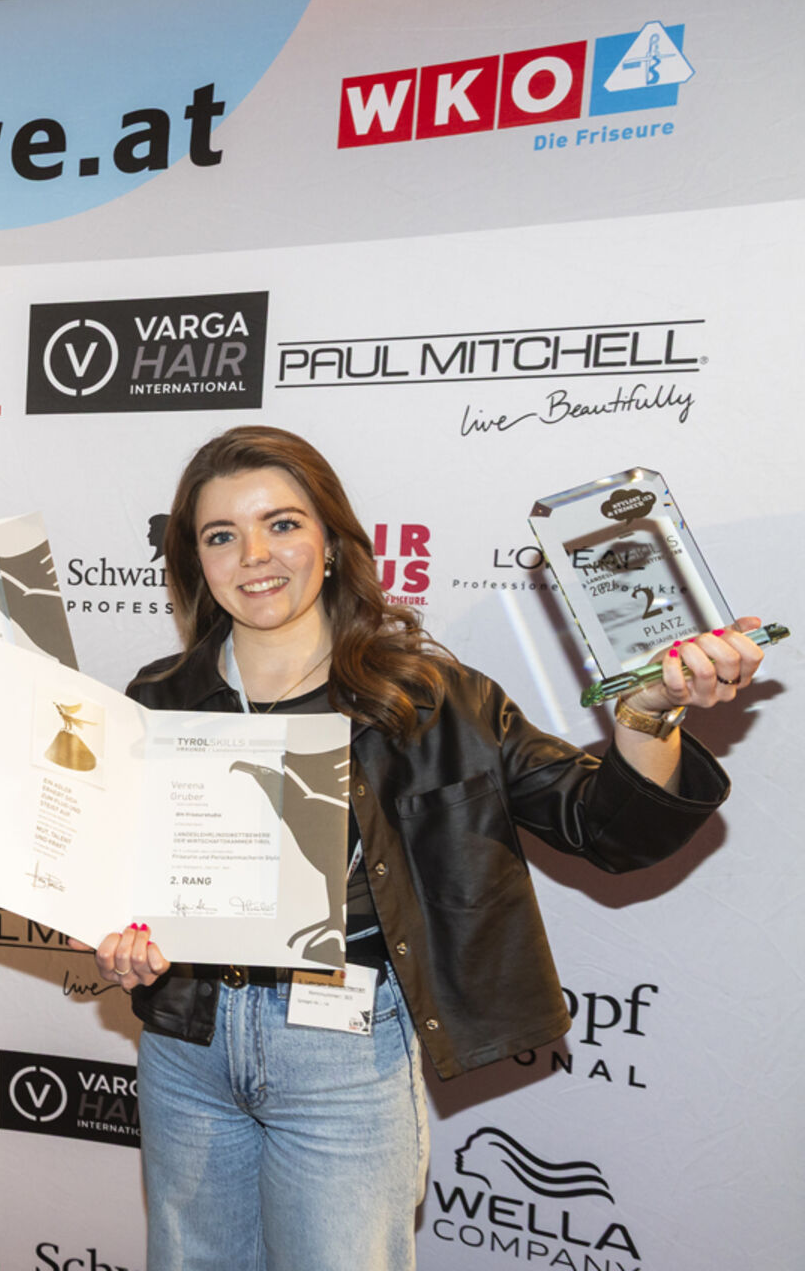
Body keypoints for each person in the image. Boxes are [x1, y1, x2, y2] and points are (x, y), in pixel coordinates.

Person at [84, 425, 761, 1271]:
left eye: (282, 524)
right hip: (186, 1045)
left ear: (332, 541)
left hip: (343, 1053)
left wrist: (648, 712)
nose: (254, 555)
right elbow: (117, 877)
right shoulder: (157, 698)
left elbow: (606, 827)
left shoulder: (430, 698)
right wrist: (120, 939)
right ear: (196, 560)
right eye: (222, 535)